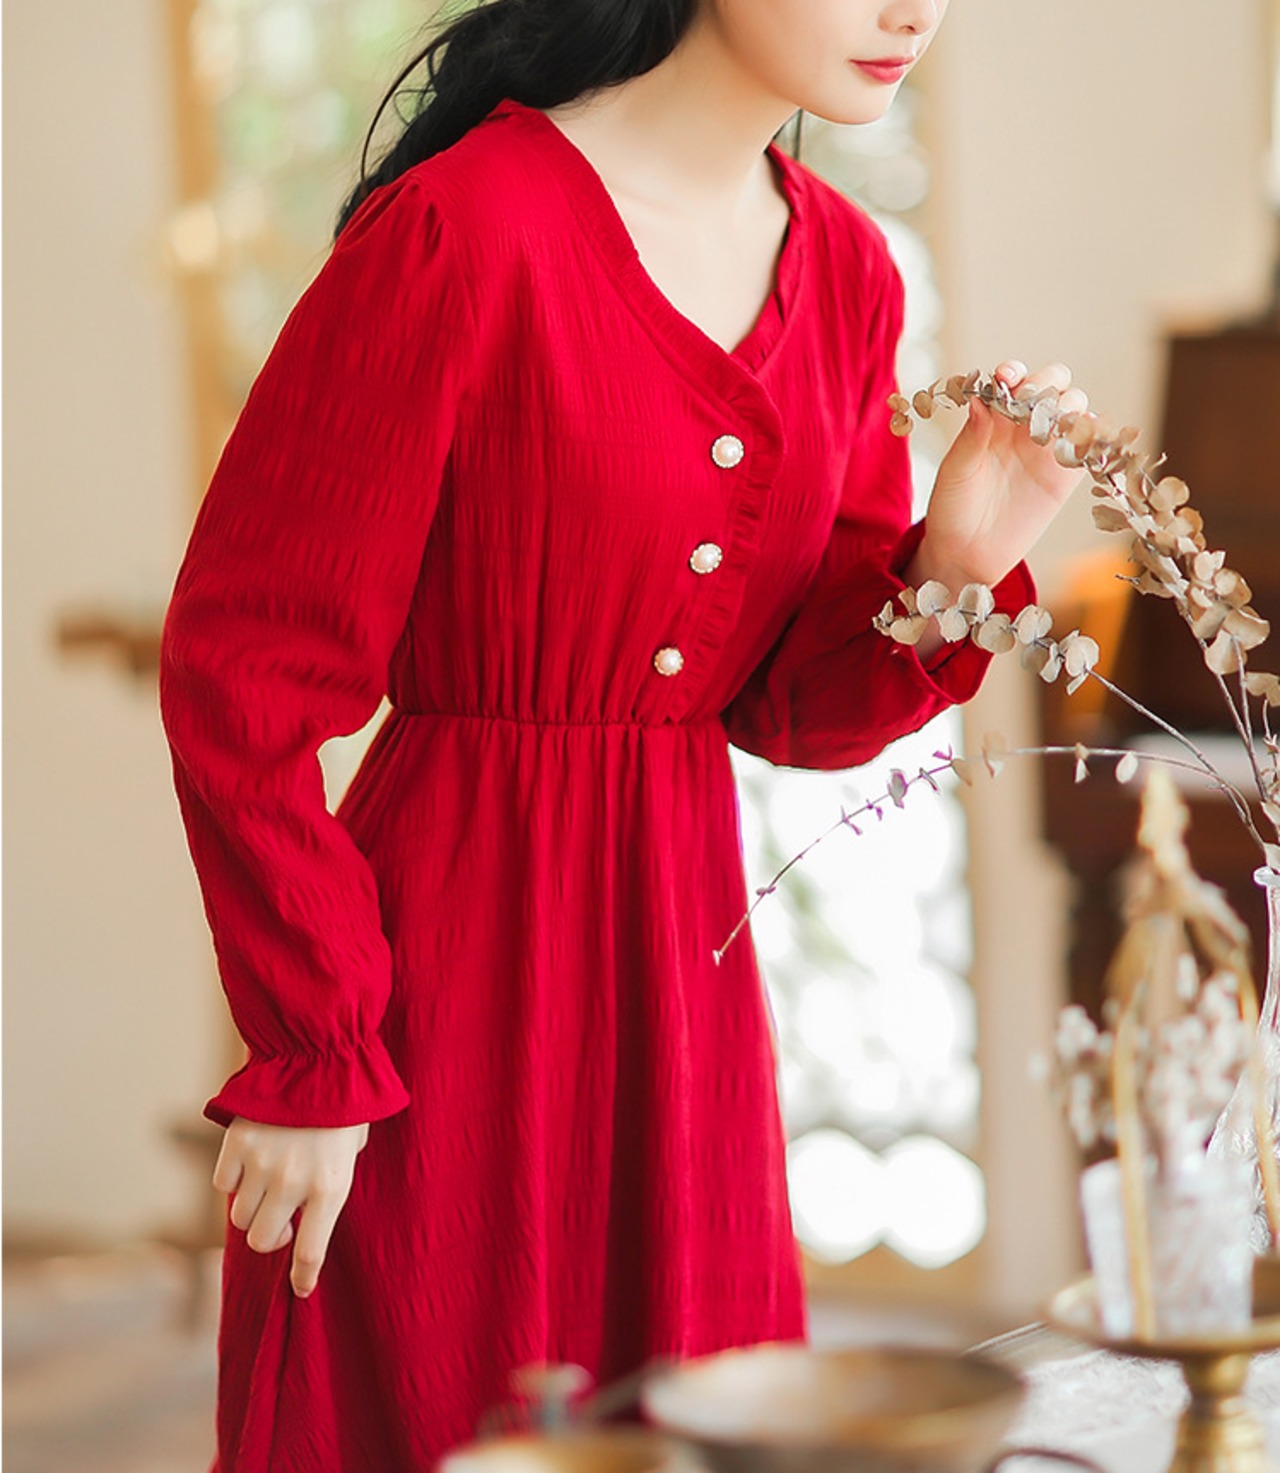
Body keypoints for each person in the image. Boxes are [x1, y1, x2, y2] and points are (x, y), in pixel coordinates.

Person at [158, 1, 1088, 1468]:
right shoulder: (462, 229)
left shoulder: (847, 271)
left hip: (684, 995)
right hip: (432, 1003)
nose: (914, 9)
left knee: (706, 1418)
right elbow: (244, 669)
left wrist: (955, 565)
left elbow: (789, 704)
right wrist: (316, 1044)